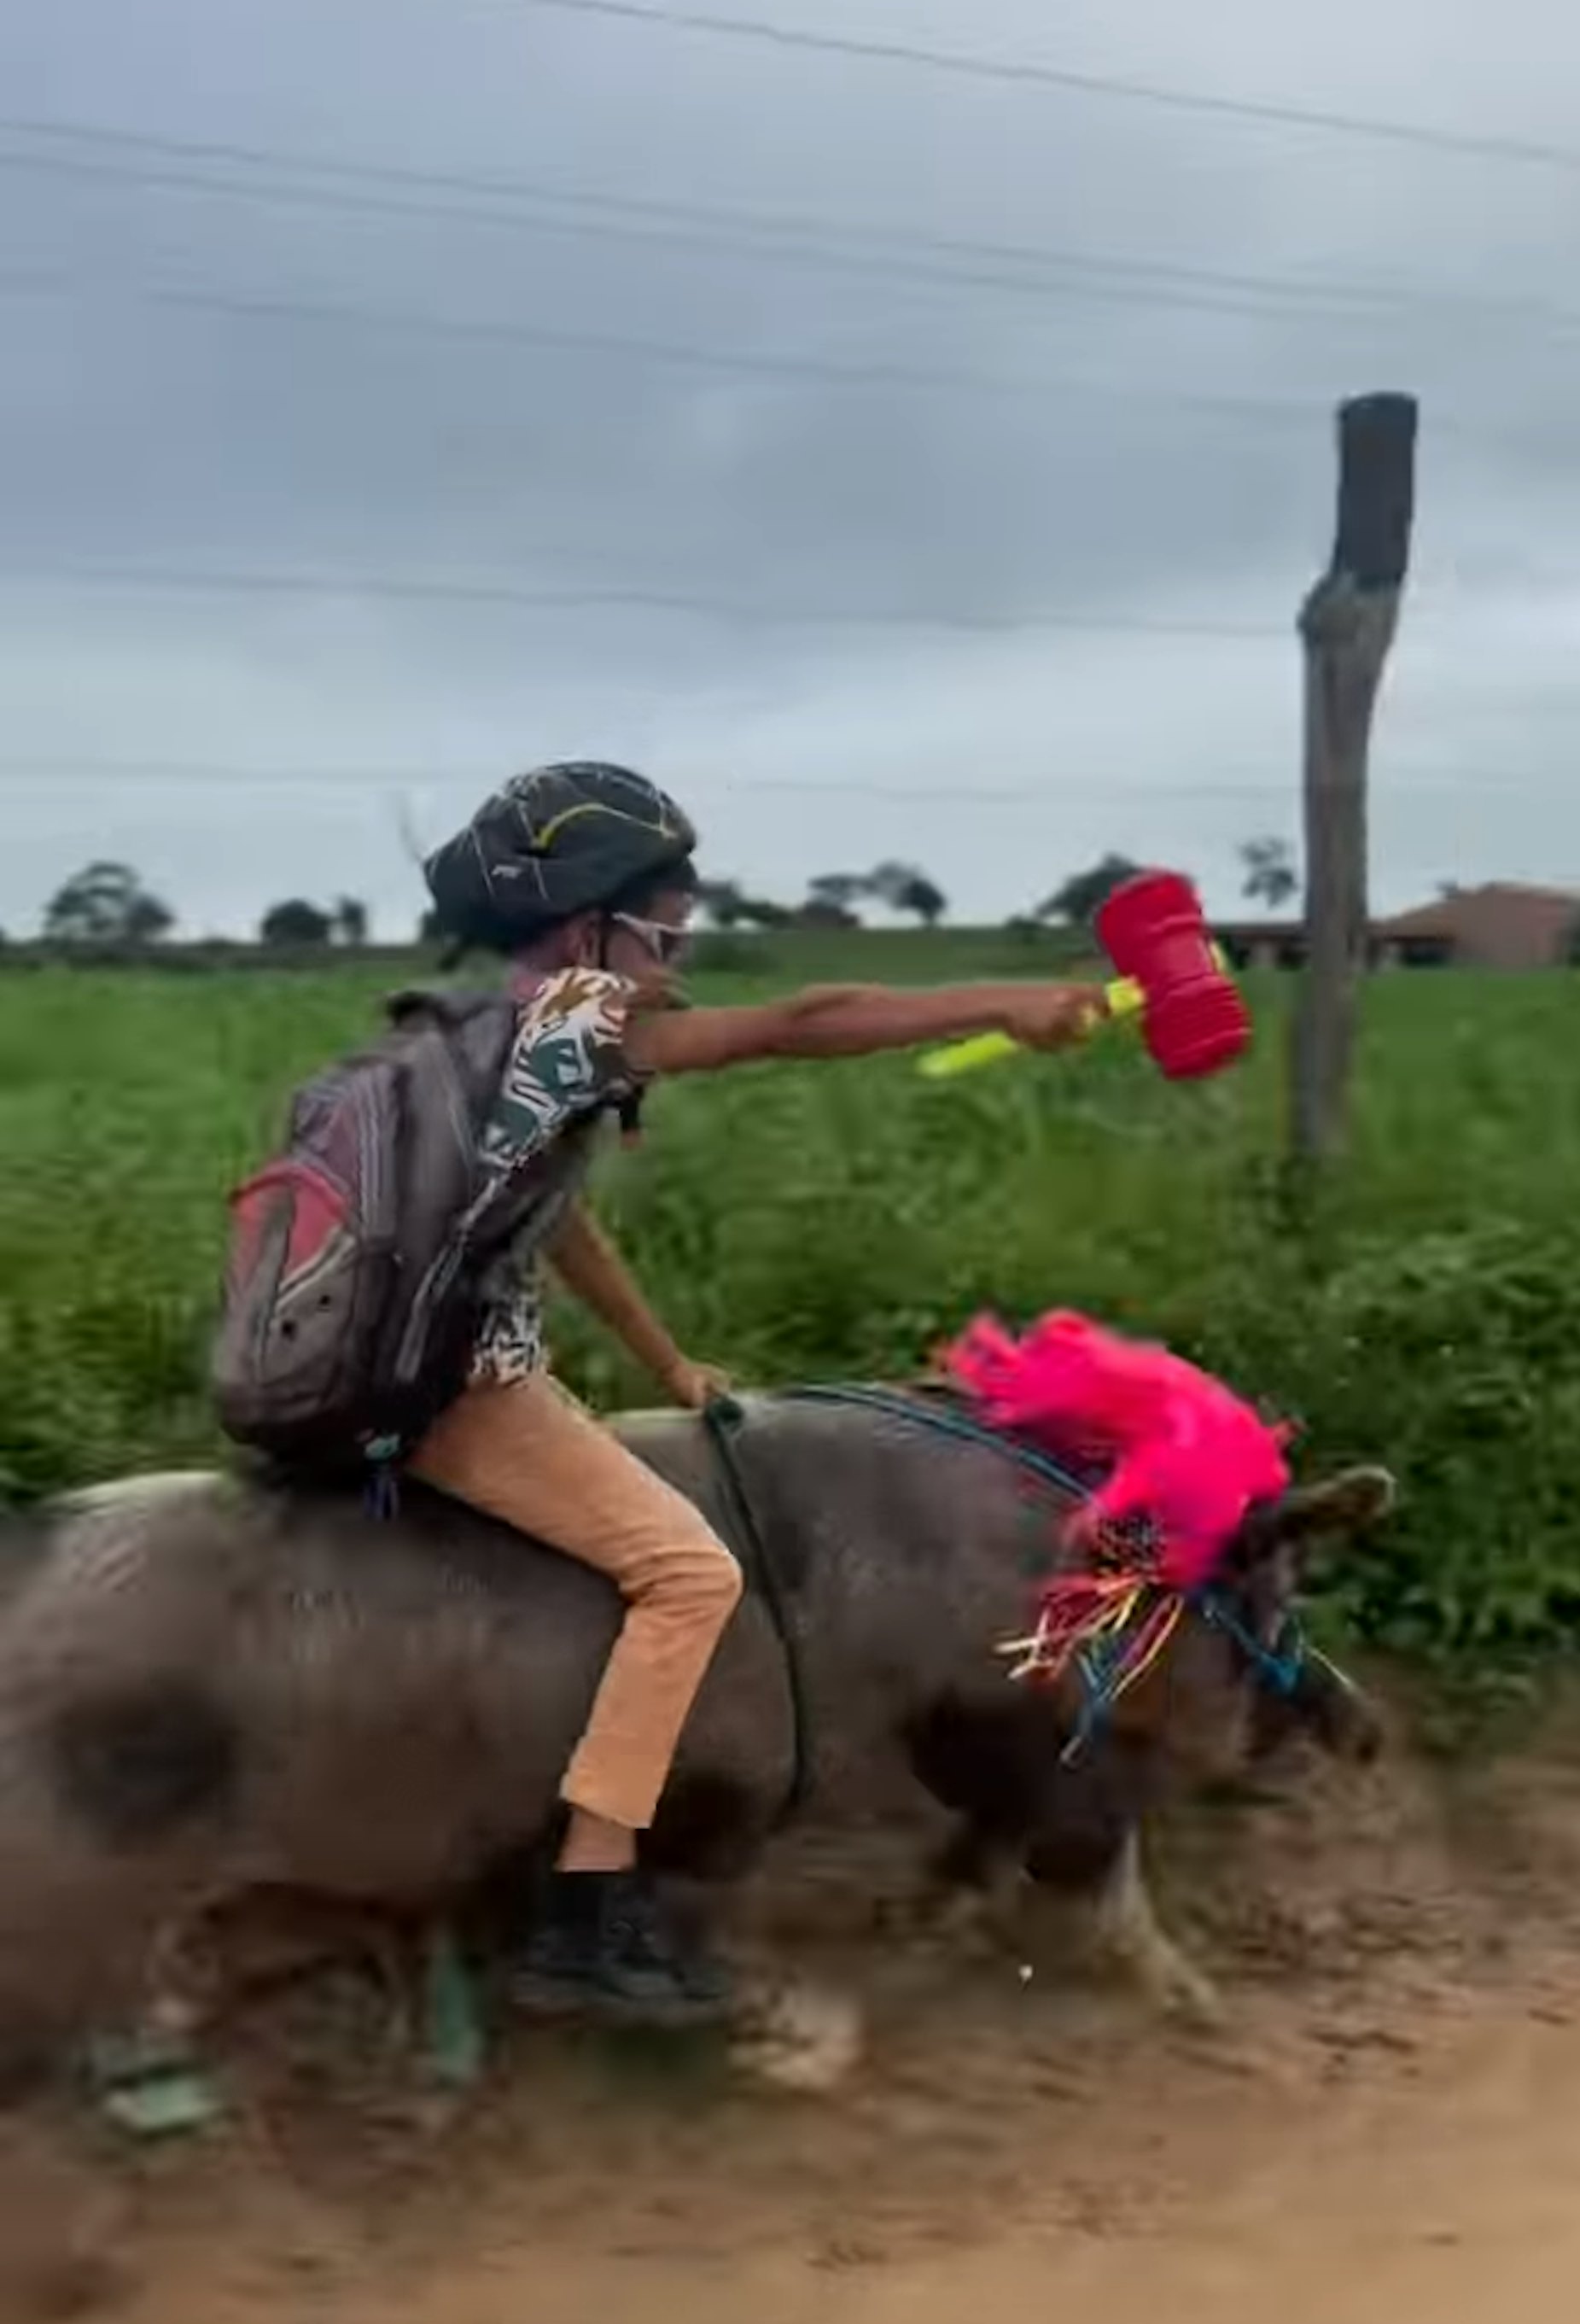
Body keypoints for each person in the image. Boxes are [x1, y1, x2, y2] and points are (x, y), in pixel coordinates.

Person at [412, 761, 1102, 2024]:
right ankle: (586, 1914)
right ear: (584, 929)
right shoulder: (574, 1014)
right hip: (457, 1392)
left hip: (410, 1367)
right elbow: (803, 1019)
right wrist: (1010, 1003)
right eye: (665, 936)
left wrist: (669, 1364)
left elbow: (551, 1223)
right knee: (690, 1575)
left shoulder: (477, 1030)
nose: (678, 966)